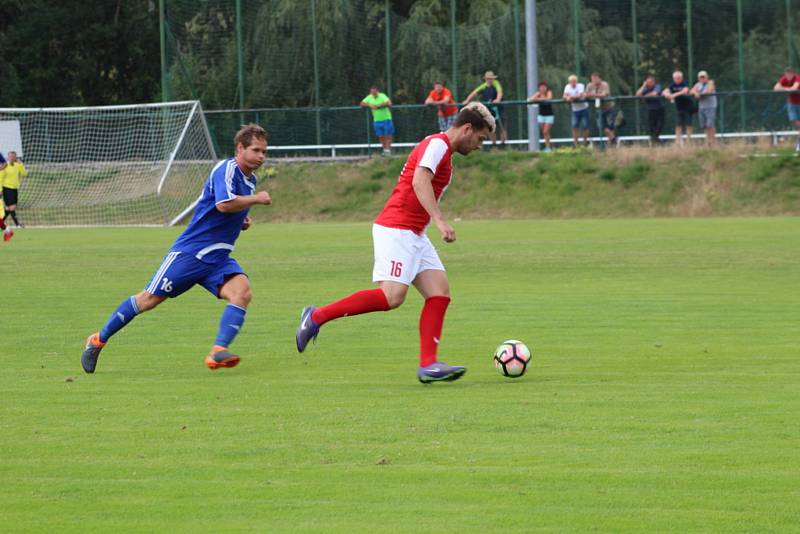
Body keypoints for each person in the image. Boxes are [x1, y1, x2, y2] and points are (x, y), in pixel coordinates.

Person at [294, 103, 495, 384]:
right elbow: (419, 180)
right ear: (467, 129)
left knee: (439, 293)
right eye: (481, 139)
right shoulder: (437, 145)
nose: (479, 146)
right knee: (392, 297)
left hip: (413, 233)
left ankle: (429, 365)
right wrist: (439, 220)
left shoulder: (442, 151)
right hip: (397, 228)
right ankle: (316, 316)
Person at [80, 125, 272, 373]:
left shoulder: (250, 179)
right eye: (256, 150)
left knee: (242, 293)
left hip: (217, 258)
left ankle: (218, 351)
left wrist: (242, 220)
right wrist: (255, 200)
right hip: (191, 253)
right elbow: (224, 204)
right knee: (148, 300)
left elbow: (227, 209)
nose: (261, 156)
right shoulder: (226, 169)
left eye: (264, 152)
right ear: (240, 148)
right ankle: (97, 340)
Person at [463, 71, 507, 147]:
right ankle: (494, 145)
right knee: (490, 127)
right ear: (486, 79)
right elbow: (474, 93)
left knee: (502, 126)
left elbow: (500, 92)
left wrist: (498, 99)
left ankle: (504, 144)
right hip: (489, 111)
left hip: (499, 110)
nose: (489, 80)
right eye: (488, 79)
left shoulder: (496, 84)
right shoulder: (484, 86)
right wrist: (467, 100)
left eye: (491, 78)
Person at [585, 72, 618, 147]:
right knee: (602, 127)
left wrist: (593, 94)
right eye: (592, 79)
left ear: (600, 79)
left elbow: (604, 94)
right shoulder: (589, 85)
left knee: (610, 127)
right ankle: (613, 140)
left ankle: (611, 145)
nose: (594, 81)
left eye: (595, 79)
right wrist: (590, 95)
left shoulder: (605, 84)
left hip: (609, 108)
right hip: (599, 109)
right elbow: (585, 95)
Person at [361, 86, 394, 156]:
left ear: (377, 91)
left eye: (374, 92)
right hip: (377, 120)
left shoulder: (382, 96)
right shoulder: (369, 97)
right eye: (372, 92)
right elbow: (361, 104)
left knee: (388, 135)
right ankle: (385, 150)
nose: (373, 93)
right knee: (381, 136)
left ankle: (388, 150)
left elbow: (389, 103)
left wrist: (379, 105)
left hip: (387, 119)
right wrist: (369, 104)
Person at [662, 70, 694, 145]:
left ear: (681, 78)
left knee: (688, 124)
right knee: (678, 124)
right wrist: (667, 94)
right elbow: (665, 91)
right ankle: (677, 141)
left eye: (679, 77)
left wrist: (674, 95)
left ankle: (689, 141)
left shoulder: (685, 83)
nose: (677, 79)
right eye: (676, 78)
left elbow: (685, 91)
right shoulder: (672, 85)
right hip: (679, 108)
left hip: (688, 107)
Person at [773, 66, 800, 152]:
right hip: (792, 104)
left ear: (793, 73)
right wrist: (786, 89)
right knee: (794, 120)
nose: (788, 75)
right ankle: (798, 145)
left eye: (790, 73)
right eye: (787, 73)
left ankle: (798, 145)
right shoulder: (784, 79)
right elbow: (776, 88)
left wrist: (785, 89)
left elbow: (794, 88)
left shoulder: (797, 78)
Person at [636, 75, 665, 145]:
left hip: (659, 109)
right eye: (648, 82)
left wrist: (645, 96)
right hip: (651, 110)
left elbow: (655, 93)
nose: (650, 83)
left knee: (659, 126)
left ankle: (654, 139)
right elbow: (637, 94)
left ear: (654, 82)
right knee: (652, 127)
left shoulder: (657, 86)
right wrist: (643, 86)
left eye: (651, 82)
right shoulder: (645, 88)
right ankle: (654, 141)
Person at [1, 151, 28, 227]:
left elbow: (24, 174)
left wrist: (21, 164)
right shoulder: (5, 166)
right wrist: (0, 189)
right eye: (10, 157)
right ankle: (17, 224)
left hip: (15, 189)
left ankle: (1, 223)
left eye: (13, 157)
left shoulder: (17, 165)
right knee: (12, 207)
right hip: (6, 188)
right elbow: (1, 178)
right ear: (8, 157)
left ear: (16, 157)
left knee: (9, 209)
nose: (12, 158)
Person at [691, 70, 717, 146]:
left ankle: (713, 142)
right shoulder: (697, 85)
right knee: (705, 126)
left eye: (703, 77)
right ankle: (708, 141)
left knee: (710, 125)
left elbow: (709, 90)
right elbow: (691, 91)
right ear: (698, 78)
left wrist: (699, 94)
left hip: (711, 107)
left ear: (707, 77)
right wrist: (695, 93)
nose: (702, 79)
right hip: (702, 107)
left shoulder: (710, 82)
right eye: (700, 77)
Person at [563, 75, 589, 148]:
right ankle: (576, 144)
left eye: (574, 81)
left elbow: (580, 95)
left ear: (576, 82)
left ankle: (585, 143)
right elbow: (564, 96)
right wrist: (567, 97)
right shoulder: (567, 87)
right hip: (575, 110)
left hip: (584, 108)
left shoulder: (580, 86)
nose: (573, 83)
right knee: (574, 127)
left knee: (585, 126)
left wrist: (570, 97)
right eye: (571, 82)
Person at [528, 81, 554, 152]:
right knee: (545, 132)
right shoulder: (538, 93)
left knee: (546, 131)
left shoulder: (549, 92)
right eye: (541, 87)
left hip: (549, 115)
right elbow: (530, 99)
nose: (542, 88)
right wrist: (537, 97)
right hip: (541, 115)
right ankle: (548, 147)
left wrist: (539, 99)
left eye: (544, 87)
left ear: (546, 87)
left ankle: (548, 147)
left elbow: (549, 98)